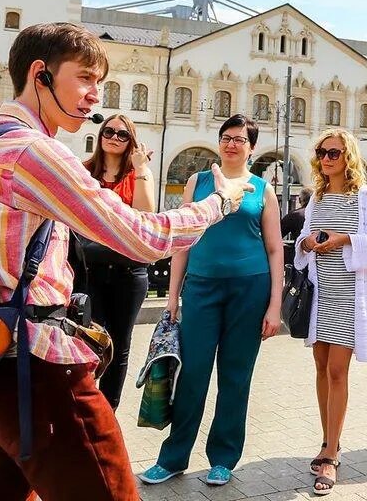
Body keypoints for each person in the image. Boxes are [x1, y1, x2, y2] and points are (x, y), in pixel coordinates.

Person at [0, 22, 250, 501]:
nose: (97, 95)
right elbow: (143, 236)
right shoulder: (32, 151)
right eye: (86, 78)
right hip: (38, 363)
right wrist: (222, 201)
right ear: (41, 74)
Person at [142, 114, 283, 488]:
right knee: (193, 373)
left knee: (236, 377)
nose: (232, 143)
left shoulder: (261, 190)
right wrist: (172, 296)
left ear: (251, 148)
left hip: (250, 290)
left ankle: (223, 458)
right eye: (226, 137)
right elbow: (182, 241)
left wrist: (274, 305)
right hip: (201, 288)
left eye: (240, 139)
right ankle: (173, 457)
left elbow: (274, 250)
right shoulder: (198, 182)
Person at [293, 128, 367, 496]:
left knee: (337, 371)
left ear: (347, 156)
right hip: (322, 296)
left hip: (352, 298)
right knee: (321, 368)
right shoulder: (317, 197)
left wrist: (344, 239)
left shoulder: (364, 196)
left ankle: (331, 454)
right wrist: (308, 243)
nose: (327, 158)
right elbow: (303, 241)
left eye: (334, 152)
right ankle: (326, 440)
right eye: (322, 152)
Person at [70, 113, 155, 410]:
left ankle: (107, 413)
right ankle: (83, 406)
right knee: (87, 339)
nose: (114, 138)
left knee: (119, 344)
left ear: (130, 140)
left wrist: (141, 167)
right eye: (109, 131)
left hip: (128, 271)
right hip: (88, 269)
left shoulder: (137, 174)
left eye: (122, 134)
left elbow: (146, 214)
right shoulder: (83, 171)